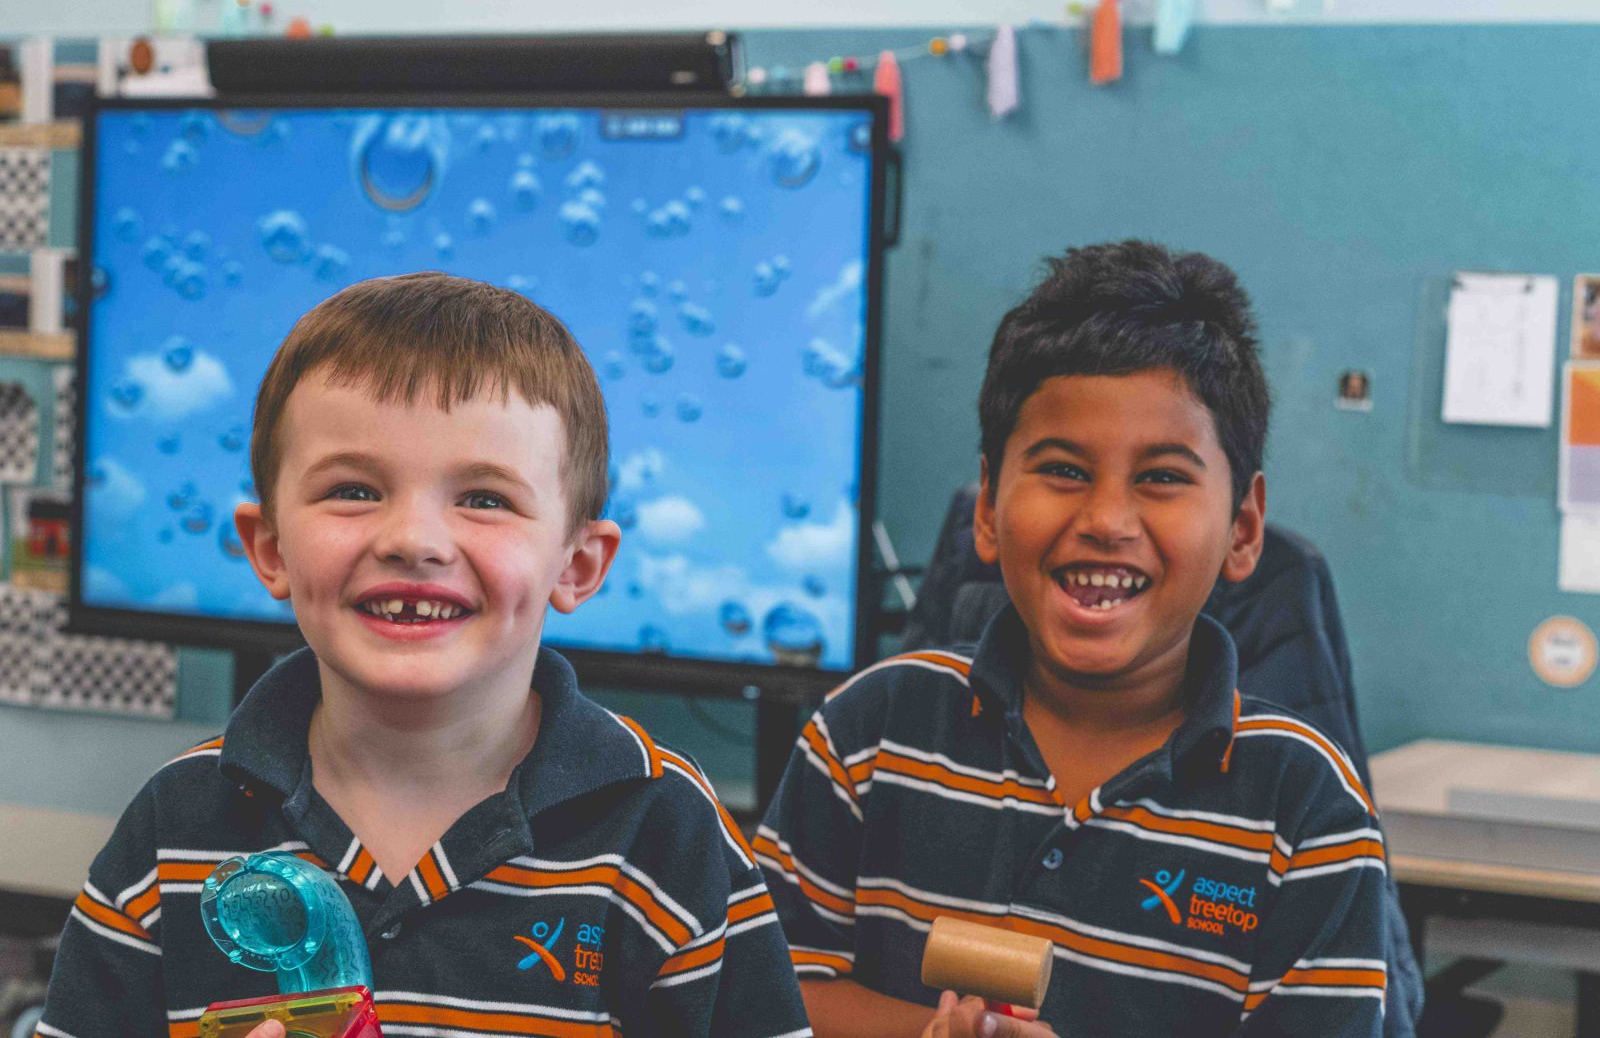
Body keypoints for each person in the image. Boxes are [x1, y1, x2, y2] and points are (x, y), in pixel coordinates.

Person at [37, 272, 810, 1037]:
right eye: (353, 490)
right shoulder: (173, 825)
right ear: (268, 549)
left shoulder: (667, 831)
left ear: (577, 565)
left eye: (484, 499)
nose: (413, 540)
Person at [757, 241, 1393, 1037]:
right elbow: (759, 993)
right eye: (1063, 469)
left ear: (1242, 527)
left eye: (1162, 477)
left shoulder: (1304, 807)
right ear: (987, 510)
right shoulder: (870, 734)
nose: (1106, 520)